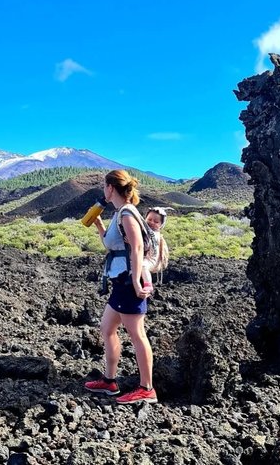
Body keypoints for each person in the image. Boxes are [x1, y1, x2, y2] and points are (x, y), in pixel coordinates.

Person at [84, 170, 158, 404]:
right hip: (120, 282)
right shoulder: (119, 214)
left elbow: (136, 248)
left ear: (110, 188)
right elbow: (112, 245)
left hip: (128, 281)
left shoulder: (127, 213)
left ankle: (147, 389)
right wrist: (98, 225)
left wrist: (136, 281)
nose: (103, 191)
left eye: (104, 187)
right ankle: (109, 381)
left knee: (137, 334)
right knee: (107, 329)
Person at [142, 206, 168, 292]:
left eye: (156, 221)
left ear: (161, 225)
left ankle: (148, 284)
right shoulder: (147, 231)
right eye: (149, 219)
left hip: (151, 259)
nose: (152, 222)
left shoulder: (153, 234)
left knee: (142, 265)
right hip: (147, 257)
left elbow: (145, 245)